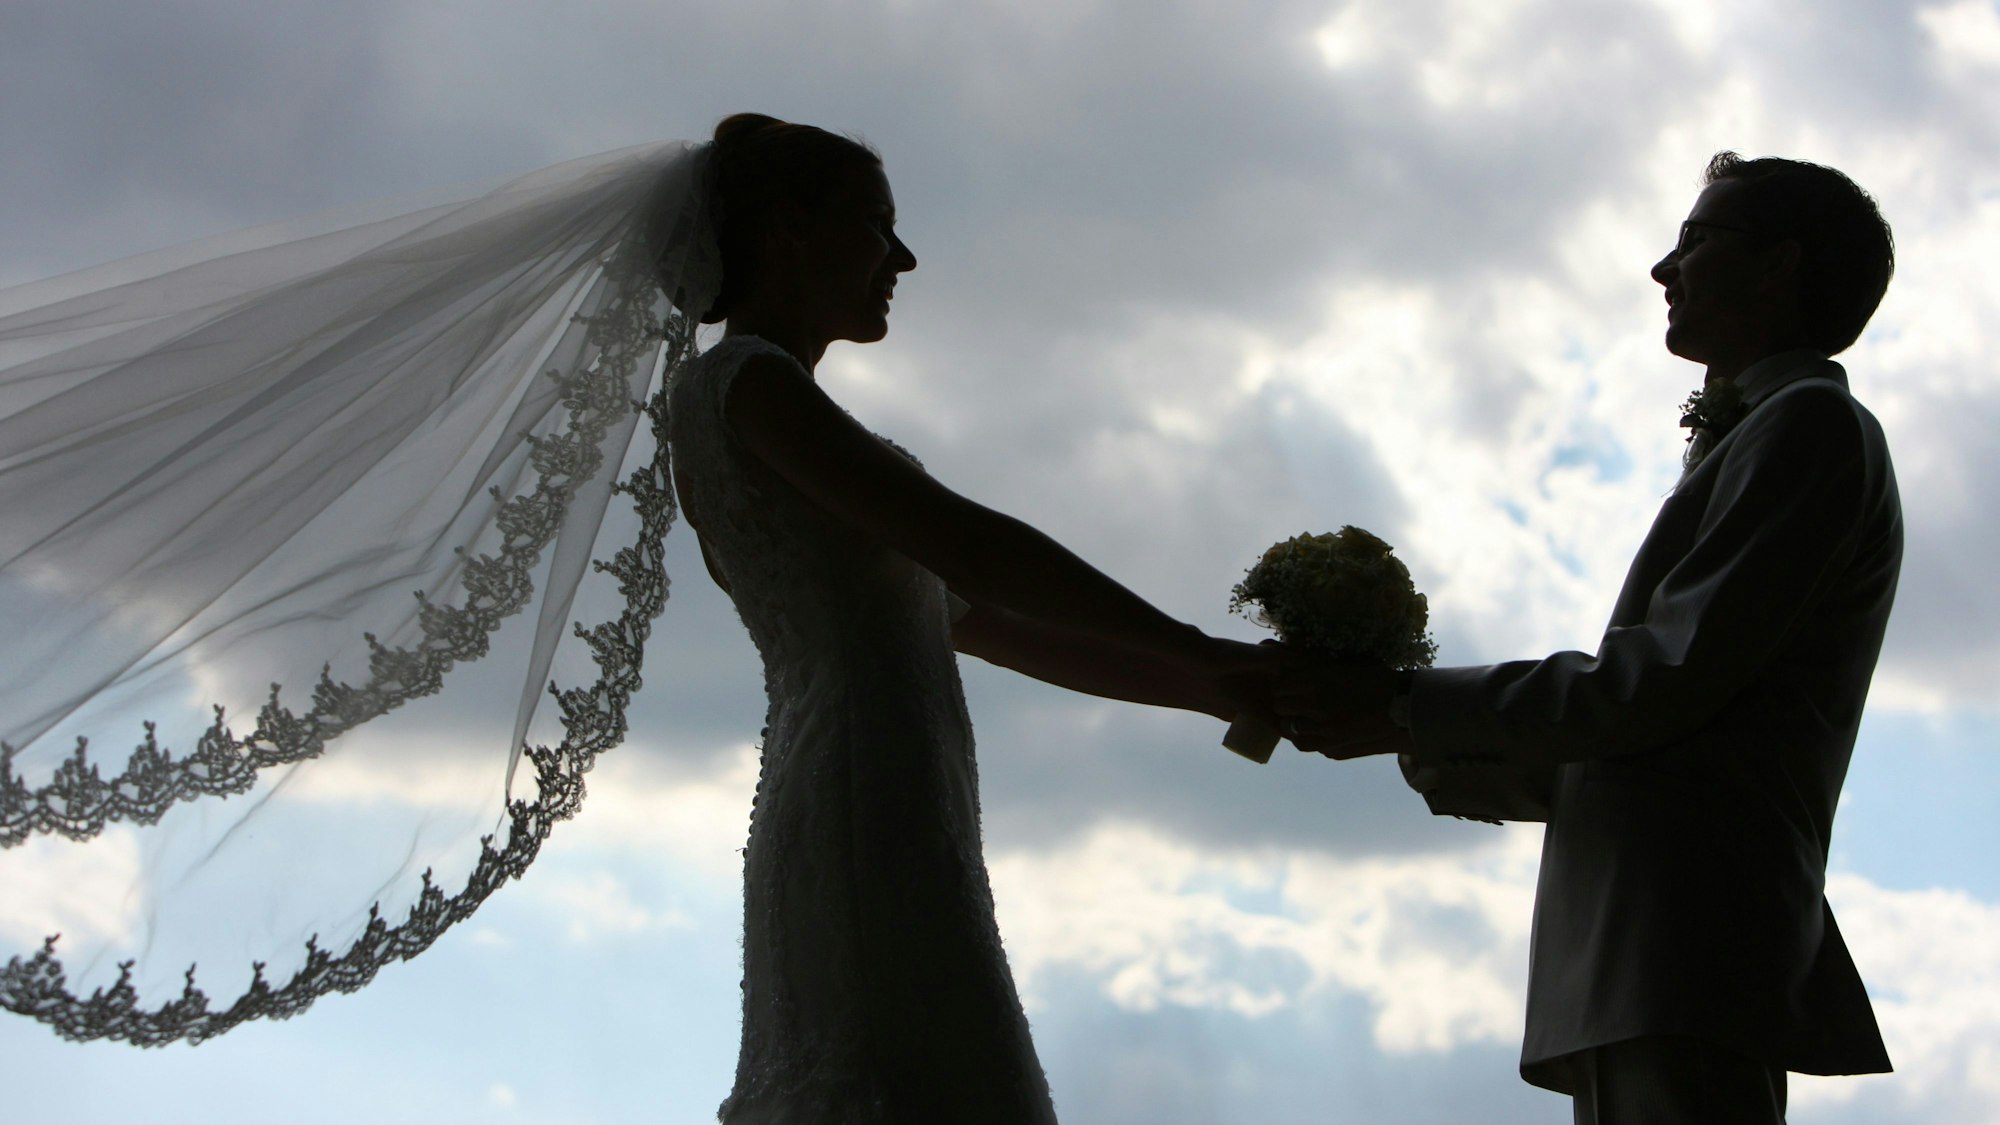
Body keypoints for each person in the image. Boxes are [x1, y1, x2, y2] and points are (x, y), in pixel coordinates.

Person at [1270, 152, 1901, 1124]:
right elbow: (1658, 741)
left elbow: (1655, 689)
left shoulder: (1807, 426)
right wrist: (1403, 729)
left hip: (1683, 947)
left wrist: (1402, 702)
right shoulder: (1770, 432)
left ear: (1776, 267)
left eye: (1693, 242)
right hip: (1643, 960)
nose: (1661, 268)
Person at [667, 113, 1263, 1122]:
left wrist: (1216, 687)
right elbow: (970, 547)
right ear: (788, 232)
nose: (900, 257)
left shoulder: (768, 400)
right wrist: (1193, 645)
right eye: (873, 224)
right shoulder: (744, 385)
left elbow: (987, 622)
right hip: (866, 799)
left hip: (884, 792)